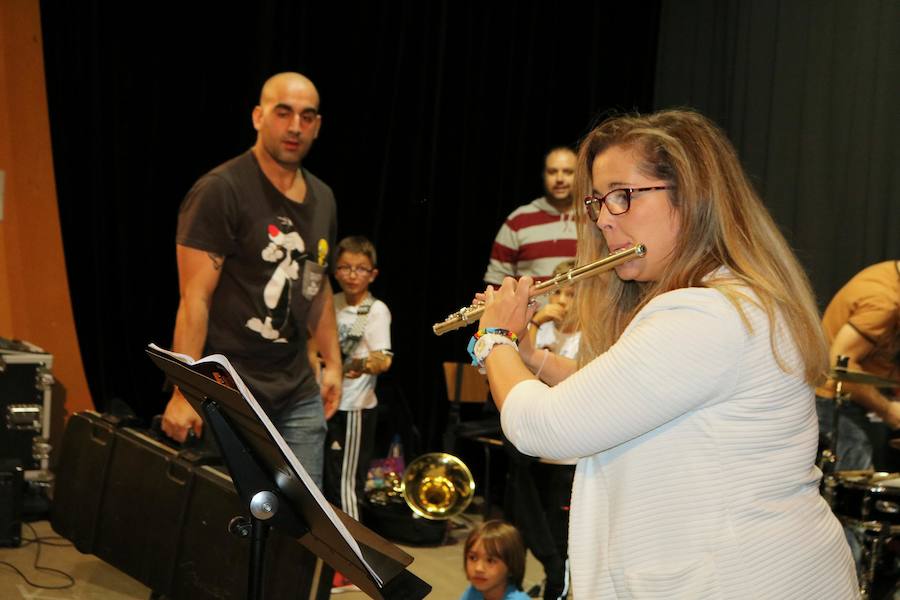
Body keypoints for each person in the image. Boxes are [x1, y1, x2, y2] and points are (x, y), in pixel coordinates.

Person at [471, 109, 858, 597]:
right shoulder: (729, 300)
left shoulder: (707, 314)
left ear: (691, 197)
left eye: (622, 197)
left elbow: (541, 428)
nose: (605, 220)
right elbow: (620, 401)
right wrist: (530, 355)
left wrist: (493, 339)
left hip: (742, 579)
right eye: (597, 203)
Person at [161, 72, 341, 490]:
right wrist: (182, 392)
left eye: (307, 116)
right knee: (225, 528)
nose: (295, 126)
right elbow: (194, 299)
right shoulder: (221, 190)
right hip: (230, 389)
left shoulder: (324, 198)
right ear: (259, 117)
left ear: (317, 125)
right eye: (283, 113)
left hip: (297, 391)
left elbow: (318, 285)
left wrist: (333, 362)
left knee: (303, 531)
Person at [325, 236, 392, 521]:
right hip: (325, 402)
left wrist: (349, 364)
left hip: (354, 408)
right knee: (325, 479)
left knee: (347, 486)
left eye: (361, 269)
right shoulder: (332, 302)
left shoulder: (374, 310)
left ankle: (352, 556)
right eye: (345, 267)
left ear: (373, 274)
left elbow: (383, 359)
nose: (352, 275)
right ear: (335, 270)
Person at [815, 260, 900, 471]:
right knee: (857, 479)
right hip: (832, 399)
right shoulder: (882, 301)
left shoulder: (890, 275)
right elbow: (841, 362)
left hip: (849, 398)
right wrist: (890, 411)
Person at [484, 148, 578, 287]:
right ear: (543, 175)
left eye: (568, 172)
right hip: (532, 309)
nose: (559, 179)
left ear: (580, 175)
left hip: (588, 308)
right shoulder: (518, 221)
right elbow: (497, 282)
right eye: (552, 172)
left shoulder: (594, 217)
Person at [461, 520, 530, 600]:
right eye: (473, 558)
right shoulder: (474, 592)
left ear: (511, 567)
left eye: (490, 560)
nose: (478, 568)